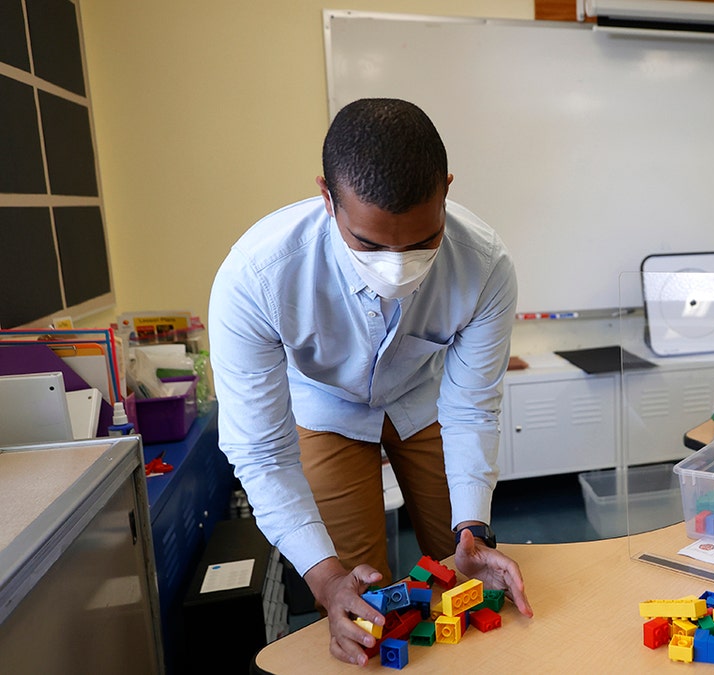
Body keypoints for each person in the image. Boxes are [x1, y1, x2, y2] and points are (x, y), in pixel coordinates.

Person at [208, 98, 531, 666]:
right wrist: (327, 581)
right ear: (327, 199)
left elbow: (472, 408)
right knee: (362, 594)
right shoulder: (256, 276)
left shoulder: (485, 264)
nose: (397, 266)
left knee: (461, 566)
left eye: (421, 243)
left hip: (425, 401)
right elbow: (262, 453)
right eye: (370, 244)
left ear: (447, 191)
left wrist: (473, 526)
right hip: (324, 408)